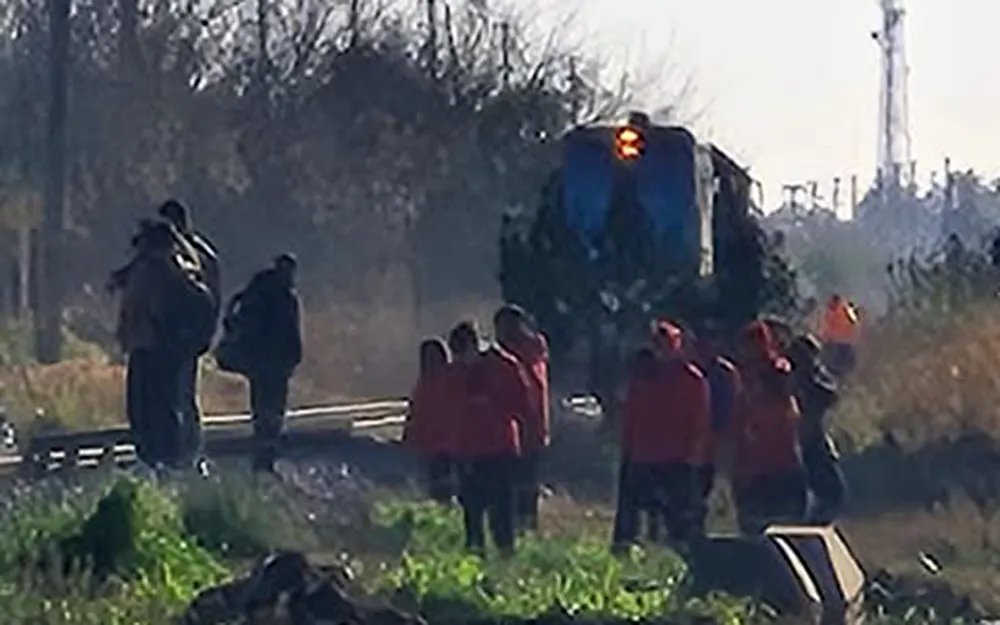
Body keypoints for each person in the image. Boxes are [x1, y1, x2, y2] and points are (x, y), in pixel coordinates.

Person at [112, 221, 212, 470]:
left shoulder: (167, 270)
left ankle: (163, 458)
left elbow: (148, 307)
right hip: (148, 346)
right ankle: (157, 457)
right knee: (148, 406)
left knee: (156, 406)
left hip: (158, 347)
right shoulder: (158, 269)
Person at [612, 320, 711, 551]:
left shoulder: (693, 380)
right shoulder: (641, 376)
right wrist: (627, 448)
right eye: (657, 345)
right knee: (629, 512)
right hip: (641, 455)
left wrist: (693, 456)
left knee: (679, 517)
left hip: (677, 458)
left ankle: (682, 552)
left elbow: (699, 421)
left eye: (666, 345)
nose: (661, 352)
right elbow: (630, 414)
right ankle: (624, 550)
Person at [452, 320, 531, 557]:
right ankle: (475, 554)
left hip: (499, 448)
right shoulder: (459, 370)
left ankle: (506, 554)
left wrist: (492, 406)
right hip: (468, 449)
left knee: (501, 510)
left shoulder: (507, 366)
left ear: (475, 345)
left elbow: (522, 406)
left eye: (464, 354)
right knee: (471, 509)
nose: (463, 361)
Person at [224, 253, 303, 474]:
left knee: (261, 407)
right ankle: (266, 455)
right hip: (276, 362)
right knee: (273, 408)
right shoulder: (285, 296)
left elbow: (236, 319)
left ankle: (263, 453)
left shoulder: (256, 292)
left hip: (260, 361)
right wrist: (294, 357)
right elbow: (292, 332)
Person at [158, 200, 221, 464]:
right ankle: (186, 451)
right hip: (183, 335)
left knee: (178, 394)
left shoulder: (184, 255)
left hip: (176, 335)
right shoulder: (204, 252)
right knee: (182, 395)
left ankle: (184, 452)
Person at [729, 320, 807, 534]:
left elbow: (784, 384)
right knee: (753, 529)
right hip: (755, 467)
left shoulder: (777, 370)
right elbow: (739, 424)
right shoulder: (741, 378)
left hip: (781, 464)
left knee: (787, 527)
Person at [493, 304, 550, 532]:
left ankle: (517, 524)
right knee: (528, 479)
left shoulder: (511, 356)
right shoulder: (536, 348)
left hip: (513, 429)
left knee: (513, 481)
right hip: (535, 427)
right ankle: (528, 523)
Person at [788, 334, 846, 524]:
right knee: (820, 490)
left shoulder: (814, 379)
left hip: (814, 438)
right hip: (797, 442)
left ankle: (816, 521)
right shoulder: (790, 378)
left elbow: (831, 394)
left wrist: (815, 373)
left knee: (833, 491)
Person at [689, 323, 742, 534]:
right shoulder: (689, 370)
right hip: (691, 442)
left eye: (711, 340)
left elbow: (734, 405)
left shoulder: (725, 372)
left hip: (717, 438)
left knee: (714, 484)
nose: (706, 346)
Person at [403, 338, 459, 503]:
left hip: (446, 442)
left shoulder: (449, 379)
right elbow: (417, 411)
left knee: (442, 479)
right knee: (437, 479)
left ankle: (444, 507)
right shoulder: (427, 381)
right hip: (434, 442)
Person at [819, 295, 860, 379]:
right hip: (839, 343)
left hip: (841, 343)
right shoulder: (831, 313)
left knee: (840, 362)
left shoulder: (842, 311)